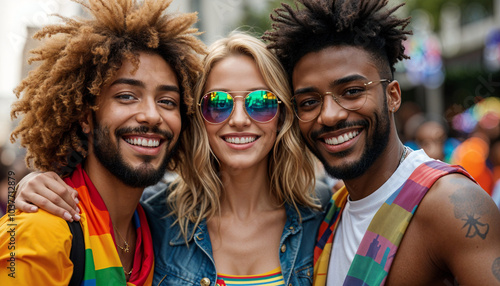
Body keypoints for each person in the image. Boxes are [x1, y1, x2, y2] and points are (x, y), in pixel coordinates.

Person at [13, 33, 330, 285]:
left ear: (282, 116)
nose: (238, 120)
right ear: (197, 118)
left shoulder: (321, 214)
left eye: (261, 102)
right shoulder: (158, 219)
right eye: (217, 103)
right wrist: (32, 184)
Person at [263, 0, 500, 285]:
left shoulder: (452, 205)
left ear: (393, 96)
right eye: (309, 102)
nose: (329, 115)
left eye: (351, 91)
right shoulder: (329, 212)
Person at [0, 0, 204, 284]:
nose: (151, 115)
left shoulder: (161, 231)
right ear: (86, 116)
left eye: (167, 101)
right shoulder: (41, 232)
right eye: (126, 96)